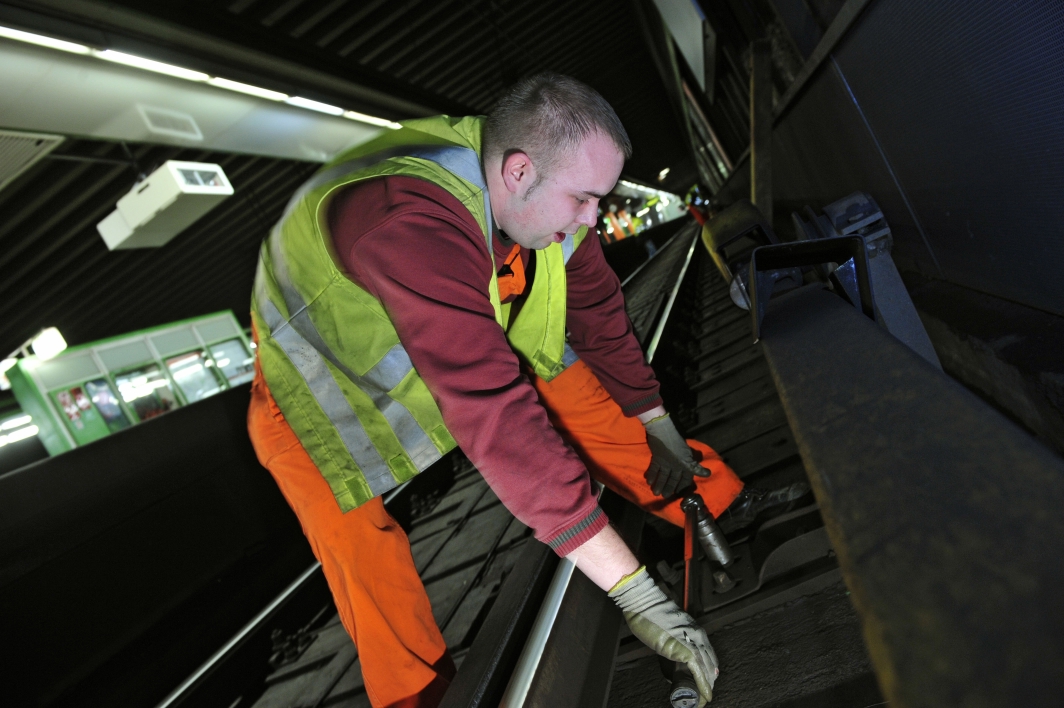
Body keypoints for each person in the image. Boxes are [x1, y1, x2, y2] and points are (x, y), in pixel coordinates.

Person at [247, 73, 787, 708]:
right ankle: (419, 699)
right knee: (363, 557)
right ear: (519, 172)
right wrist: (635, 594)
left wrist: (658, 425)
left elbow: (600, 316)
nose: (595, 218)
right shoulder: (406, 221)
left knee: (581, 396)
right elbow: (498, 422)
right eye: (584, 198)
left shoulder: (538, 206)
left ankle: (716, 505)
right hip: (313, 397)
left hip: (444, 349)